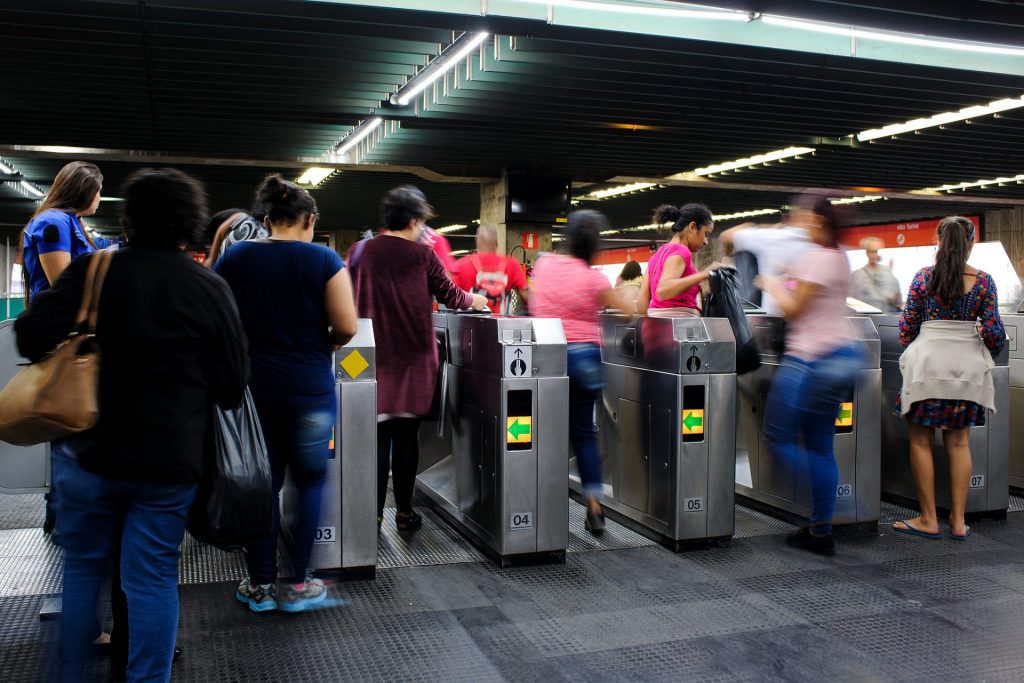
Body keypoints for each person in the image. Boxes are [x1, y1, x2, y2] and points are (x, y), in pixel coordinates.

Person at [15, 168, 249, 682]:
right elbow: (233, 385)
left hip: (91, 452)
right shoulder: (209, 287)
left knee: (83, 569)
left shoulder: (94, 270)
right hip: (169, 462)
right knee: (152, 578)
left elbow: (30, 337)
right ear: (190, 224)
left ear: (129, 219)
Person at [214, 175, 358, 612]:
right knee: (310, 481)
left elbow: (216, 315)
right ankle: (299, 584)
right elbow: (347, 326)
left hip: (255, 393)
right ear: (310, 219)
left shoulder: (237, 257)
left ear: (266, 220)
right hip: (310, 389)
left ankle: (259, 585)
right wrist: (322, 345)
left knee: (265, 485)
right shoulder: (324, 259)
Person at [351, 185, 486, 531]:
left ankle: (372, 515)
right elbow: (451, 296)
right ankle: (404, 512)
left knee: (376, 436)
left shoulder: (360, 251)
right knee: (406, 436)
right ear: (413, 220)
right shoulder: (423, 256)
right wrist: (478, 301)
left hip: (369, 358)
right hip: (413, 359)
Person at [757, 193, 861, 556]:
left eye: (802, 216)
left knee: (777, 437)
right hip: (844, 355)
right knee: (819, 445)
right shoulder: (839, 257)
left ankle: (840, 501)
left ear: (817, 220)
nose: (799, 221)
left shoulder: (815, 258)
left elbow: (793, 311)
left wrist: (772, 284)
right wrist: (791, 280)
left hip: (810, 360)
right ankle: (821, 530)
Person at [892, 216, 1004, 541]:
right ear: (971, 243)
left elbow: (906, 328)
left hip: (926, 367)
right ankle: (957, 521)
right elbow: (994, 335)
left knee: (921, 442)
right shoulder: (984, 282)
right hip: (966, 371)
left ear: (938, 240)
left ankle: (928, 519)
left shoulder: (923, 278)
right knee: (959, 444)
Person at [529, 210, 634, 533]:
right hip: (585, 359)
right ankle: (594, 507)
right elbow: (629, 312)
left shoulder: (545, 264)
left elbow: (533, 303)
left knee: (543, 432)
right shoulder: (594, 278)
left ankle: (540, 501)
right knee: (584, 434)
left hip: (548, 356)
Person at [718, 217, 813, 316]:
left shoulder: (772, 236)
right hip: (809, 316)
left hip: (776, 314)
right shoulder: (816, 244)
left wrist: (758, 227)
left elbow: (725, 235)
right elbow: (795, 284)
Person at [637, 203, 719, 316]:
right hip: (682, 323)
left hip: (655, 320)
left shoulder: (656, 256)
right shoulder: (681, 251)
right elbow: (663, 290)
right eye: (706, 234)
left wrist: (651, 322)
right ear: (692, 227)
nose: (706, 242)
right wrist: (706, 273)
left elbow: (642, 302)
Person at [453, 224, 529, 315]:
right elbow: (527, 294)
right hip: (502, 323)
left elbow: (452, 298)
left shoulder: (461, 265)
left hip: (470, 323)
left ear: (477, 241)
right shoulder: (511, 264)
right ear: (496, 242)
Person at [851, 236, 902, 312]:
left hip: (889, 316)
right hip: (867, 317)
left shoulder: (888, 273)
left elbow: (898, 300)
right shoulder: (858, 275)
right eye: (872, 251)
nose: (875, 254)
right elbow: (853, 303)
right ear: (866, 252)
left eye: (877, 251)